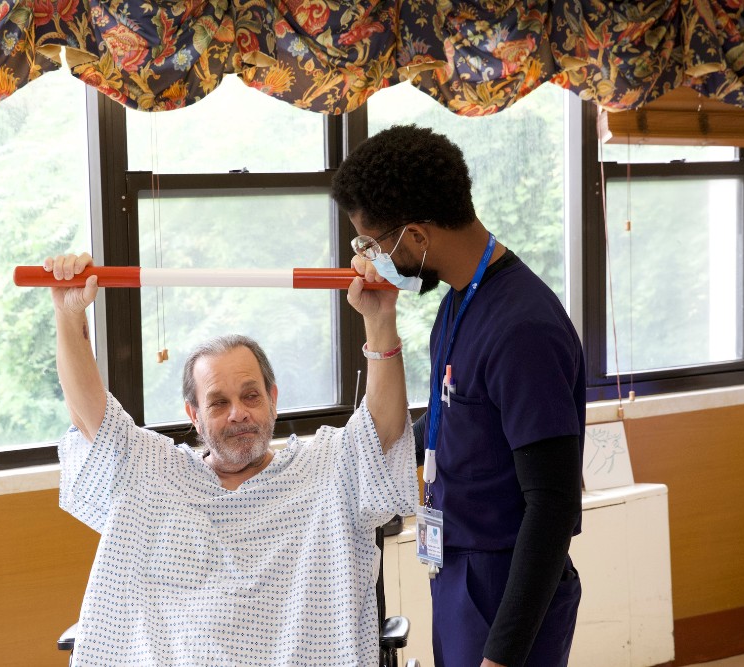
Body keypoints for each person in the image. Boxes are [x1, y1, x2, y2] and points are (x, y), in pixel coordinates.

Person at [45, 251, 418, 666]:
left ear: (273, 400)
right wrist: (69, 312)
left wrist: (380, 319)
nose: (238, 412)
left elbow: (383, 429)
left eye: (251, 395)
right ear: (194, 416)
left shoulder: (327, 467)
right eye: (218, 402)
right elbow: (87, 416)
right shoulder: (151, 470)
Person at [331, 125, 585, 667]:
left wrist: (502, 654)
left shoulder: (524, 328)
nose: (373, 260)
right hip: (457, 570)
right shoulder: (456, 304)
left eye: (374, 244)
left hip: (507, 582)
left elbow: (554, 504)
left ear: (417, 237)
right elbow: (451, 425)